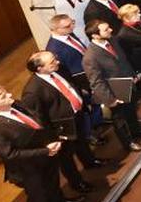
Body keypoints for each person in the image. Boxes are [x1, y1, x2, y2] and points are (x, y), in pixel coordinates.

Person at [0, 85, 80, 202]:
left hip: (46, 157)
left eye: (6, 92)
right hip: (27, 169)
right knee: (39, 197)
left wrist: (51, 142)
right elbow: (11, 155)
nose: (10, 94)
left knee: (53, 183)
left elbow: (37, 126)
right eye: (3, 96)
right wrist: (45, 151)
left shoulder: (17, 105)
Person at [21, 51, 100, 193]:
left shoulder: (60, 69)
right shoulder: (32, 91)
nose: (57, 62)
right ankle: (77, 183)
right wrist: (52, 137)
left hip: (77, 115)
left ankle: (90, 162)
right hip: (61, 130)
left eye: (55, 59)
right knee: (66, 159)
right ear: (40, 68)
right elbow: (39, 118)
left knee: (82, 142)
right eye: (52, 62)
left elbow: (71, 86)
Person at [82, 19, 141, 152]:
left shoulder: (112, 41)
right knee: (120, 119)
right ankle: (128, 142)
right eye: (106, 29)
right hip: (113, 92)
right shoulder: (90, 57)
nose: (111, 30)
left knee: (131, 112)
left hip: (127, 85)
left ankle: (137, 132)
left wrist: (133, 74)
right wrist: (110, 100)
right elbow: (96, 82)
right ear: (95, 35)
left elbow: (123, 60)